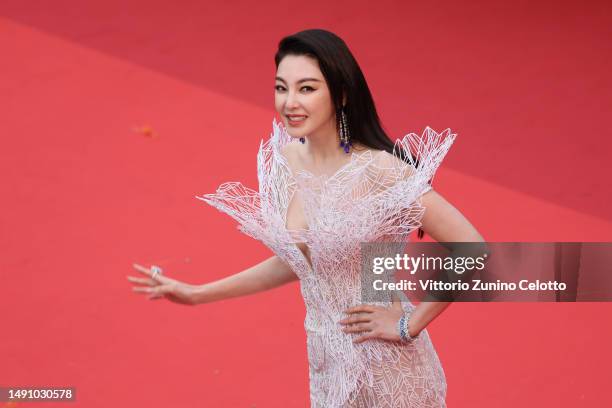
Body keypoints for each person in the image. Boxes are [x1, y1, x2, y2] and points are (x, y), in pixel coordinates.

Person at [128, 29, 485, 408]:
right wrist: (197, 293)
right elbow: (302, 261)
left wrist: (408, 325)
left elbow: (474, 247)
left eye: (307, 89)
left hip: (388, 373)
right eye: (282, 88)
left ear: (342, 94)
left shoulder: (379, 169)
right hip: (327, 369)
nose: (290, 103)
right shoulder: (286, 161)